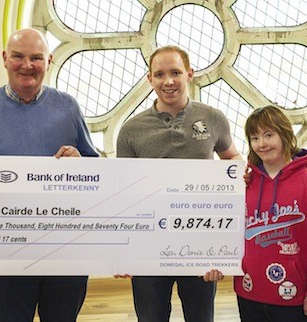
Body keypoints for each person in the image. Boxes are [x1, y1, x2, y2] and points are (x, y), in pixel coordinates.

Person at [0, 28, 98, 321]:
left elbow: (94, 170)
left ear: (49, 61)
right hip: (5, 254)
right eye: (18, 56)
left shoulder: (68, 108)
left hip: (65, 252)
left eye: (36, 58)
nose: (27, 65)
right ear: (5, 59)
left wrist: (81, 162)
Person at [116, 45, 243, 322]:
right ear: (149, 79)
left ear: (190, 74)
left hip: (200, 245)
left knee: (201, 318)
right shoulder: (130, 130)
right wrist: (123, 251)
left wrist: (238, 175)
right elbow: (124, 194)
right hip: (149, 248)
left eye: (175, 72)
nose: (168, 81)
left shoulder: (213, 118)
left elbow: (231, 156)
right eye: (159, 74)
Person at [234, 105, 307, 321]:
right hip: (248, 291)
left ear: (285, 134)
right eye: (254, 138)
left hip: (292, 295)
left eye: (268, 135)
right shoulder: (244, 184)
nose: (261, 144)